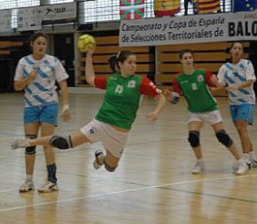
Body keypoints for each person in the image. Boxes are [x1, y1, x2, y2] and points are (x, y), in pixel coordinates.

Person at [12, 48, 166, 175]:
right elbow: (90, 78)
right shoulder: (111, 80)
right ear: (120, 64)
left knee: (111, 167)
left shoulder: (141, 82)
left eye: (135, 63)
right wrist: (89, 56)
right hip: (100, 124)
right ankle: (28, 142)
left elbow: (160, 96)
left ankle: (100, 158)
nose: (134, 65)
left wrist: (156, 112)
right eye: (130, 62)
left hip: (120, 133)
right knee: (64, 142)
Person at [164, 48, 249, 175]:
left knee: (222, 136)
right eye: (185, 58)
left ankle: (241, 161)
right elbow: (175, 99)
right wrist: (169, 97)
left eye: (190, 57)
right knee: (193, 137)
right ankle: (200, 163)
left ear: (193, 60)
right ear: (181, 61)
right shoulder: (178, 79)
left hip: (210, 108)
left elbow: (218, 85)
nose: (188, 60)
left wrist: (219, 83)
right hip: (195, 111)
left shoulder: (203, 73)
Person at [13, 32, 71, 193]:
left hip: (49, 105)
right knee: (29, 144)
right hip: (30, 107)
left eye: (44, 44)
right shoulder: (23, 63)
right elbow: (17, 86)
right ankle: (29, 180)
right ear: (32, 44)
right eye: (38, 43)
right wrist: (29, 79)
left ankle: (52, 181)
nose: (41, 46)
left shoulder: (53, 62)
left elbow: (63, 84)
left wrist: (66, 105)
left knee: (47, 142)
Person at [211, 42, 257, 168]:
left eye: (239, 49)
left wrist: (237, 86)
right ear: (231, 51)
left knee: (242, 127)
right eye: (235, 48)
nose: (237, 50)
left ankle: (245, 159)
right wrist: (210, 89)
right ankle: (253, 156)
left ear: (242, 52)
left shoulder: (247, 64)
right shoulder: (225, 68)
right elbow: (220, 84)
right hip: (234, 102)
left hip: (247, 100)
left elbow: (249, 81)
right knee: (241, 130)